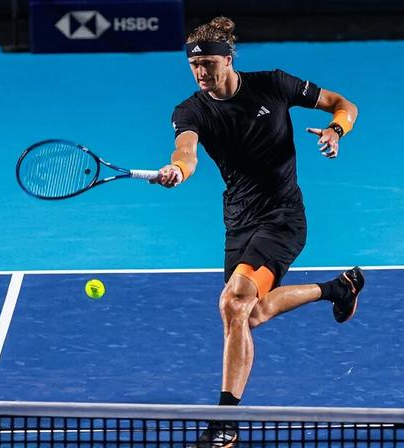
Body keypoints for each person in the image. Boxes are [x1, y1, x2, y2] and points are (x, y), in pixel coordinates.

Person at [152, 16, 364, 448]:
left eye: (209, 64)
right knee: (254, 313)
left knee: (233, 304)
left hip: (283, 216)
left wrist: (336, 129)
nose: (201, 74)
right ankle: (338, 289)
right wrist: (178, 169)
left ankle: (225, 422)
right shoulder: (191, 110)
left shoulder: (274, 85)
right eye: (194, 66)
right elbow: (186, 151)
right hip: (239, 220)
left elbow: (345, 104)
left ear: (229, 60)